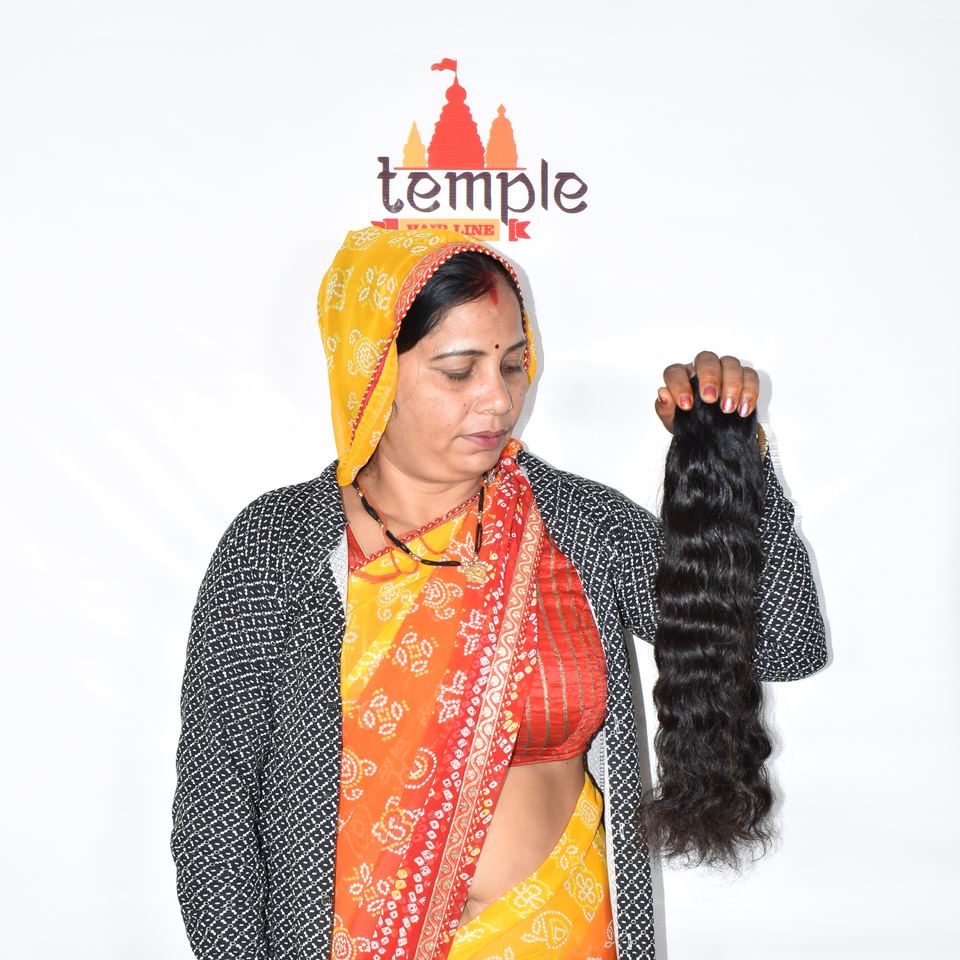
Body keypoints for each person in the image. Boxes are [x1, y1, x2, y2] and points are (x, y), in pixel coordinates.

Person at [169, 225, 828, 960]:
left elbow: (783, 644)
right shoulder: (280, 545)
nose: (499, 399)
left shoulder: (576, 526)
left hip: (563, 936)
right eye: (459, 371)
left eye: (514, 364)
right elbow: (216, 805)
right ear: (372, 373)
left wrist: (736, 463)